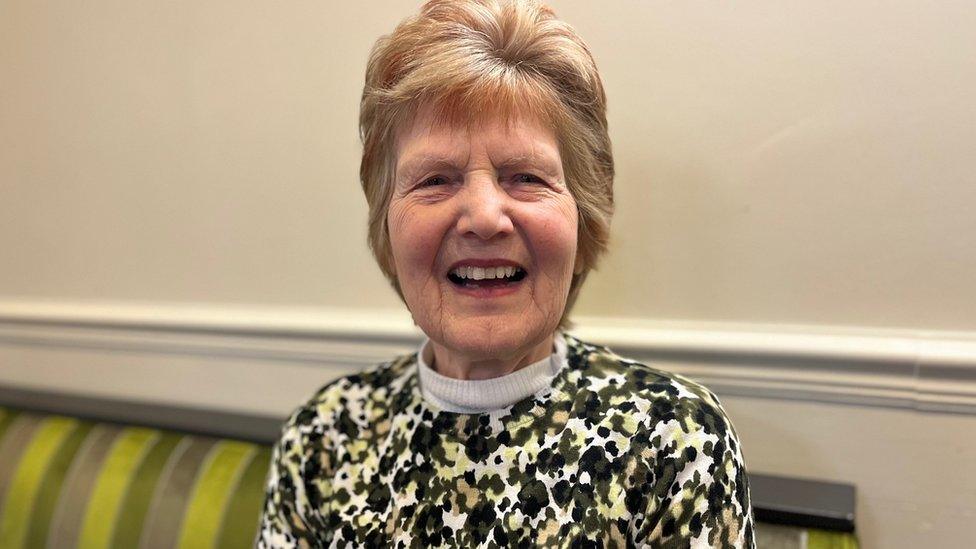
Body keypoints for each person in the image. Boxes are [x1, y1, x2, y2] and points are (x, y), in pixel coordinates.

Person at [257, 0, 754, 547]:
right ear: (387, 228)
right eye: (435, 180)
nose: (484, 217)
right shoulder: (322, 439)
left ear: (583, 215)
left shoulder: (674, 443)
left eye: (524, 176)